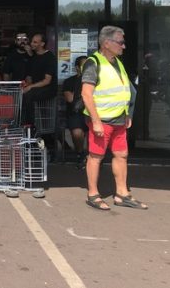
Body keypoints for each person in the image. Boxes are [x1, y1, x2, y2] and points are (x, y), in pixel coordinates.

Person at [82, 25, 147, 211]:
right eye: (120, 42)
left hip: (118, 118)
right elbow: (86, 94)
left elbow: (123, 90)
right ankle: (93, 194)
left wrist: (127, 113)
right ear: (107, 43)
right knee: (96, 156)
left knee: (121, 154)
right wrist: (95, 121)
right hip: (102, 120)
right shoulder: (93, 63)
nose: (123, 46)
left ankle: (122, 194)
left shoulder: (116, 62)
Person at [21, 31, 57, 126]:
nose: (32, 44)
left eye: (35, 42)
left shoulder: (50, 57)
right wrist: (26, 84)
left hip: (49, 89)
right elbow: (29, 76)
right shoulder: (34, 57)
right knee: (21, 93)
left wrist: (30, 87)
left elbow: (47, 81)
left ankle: (30, 125)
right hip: (37, 88)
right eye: (32, 41)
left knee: (29, 95)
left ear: (42, 44)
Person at [63, 55, 88, 162]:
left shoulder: (96, 81)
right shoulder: (69, 81)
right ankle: (80, 153)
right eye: (85, 65)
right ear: (77, 67)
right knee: (77, 133)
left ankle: (94, 157)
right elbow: (70, 99)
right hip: (76, 113)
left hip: (92, 113)